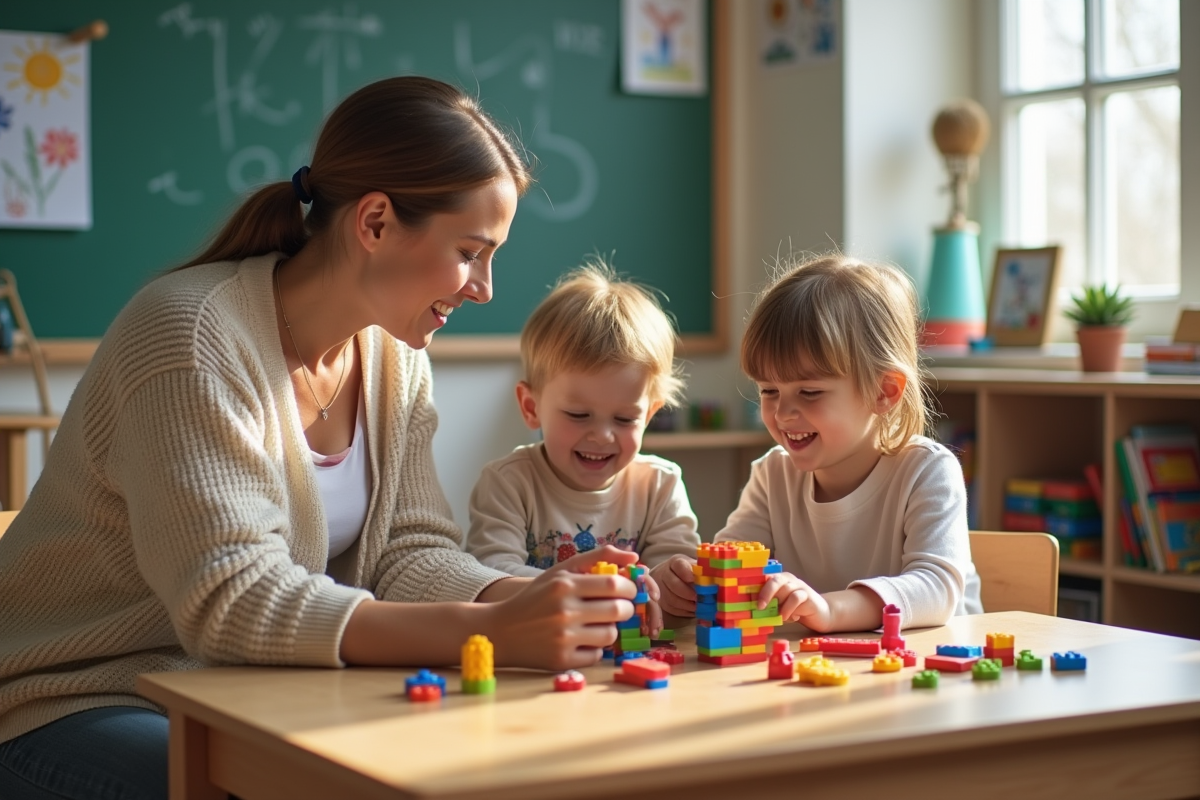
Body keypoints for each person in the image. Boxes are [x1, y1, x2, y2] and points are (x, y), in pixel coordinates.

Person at [0, 77, 638, 800]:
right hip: (73, 696)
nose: (483, 287)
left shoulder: (396, 359)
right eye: (469, 251)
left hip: (241, 692)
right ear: (374, 222)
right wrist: (488, 628)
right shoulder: (190, 337)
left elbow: (408, 551)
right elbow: (233, 601)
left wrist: (526, 594)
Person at [654, 254, 982, 632]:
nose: (782, 413)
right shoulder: (772, 475)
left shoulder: (926, 471)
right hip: (827, 674)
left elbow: (936, 590)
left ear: (884, 392)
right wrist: (689, 587)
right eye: (768, 390)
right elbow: (733, 570)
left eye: (809, 391)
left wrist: (828, 610)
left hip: (934, 675)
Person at [465, 261, 701, 636]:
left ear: (650, 416)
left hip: (630, 661)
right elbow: (491, 576)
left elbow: (674, 568)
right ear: (531, 407)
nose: (602, 436)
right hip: (537, 653)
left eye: (624, 420)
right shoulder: (508, 482)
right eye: (578, 414)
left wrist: (672, 580)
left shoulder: (661, 484)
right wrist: (585, 583)